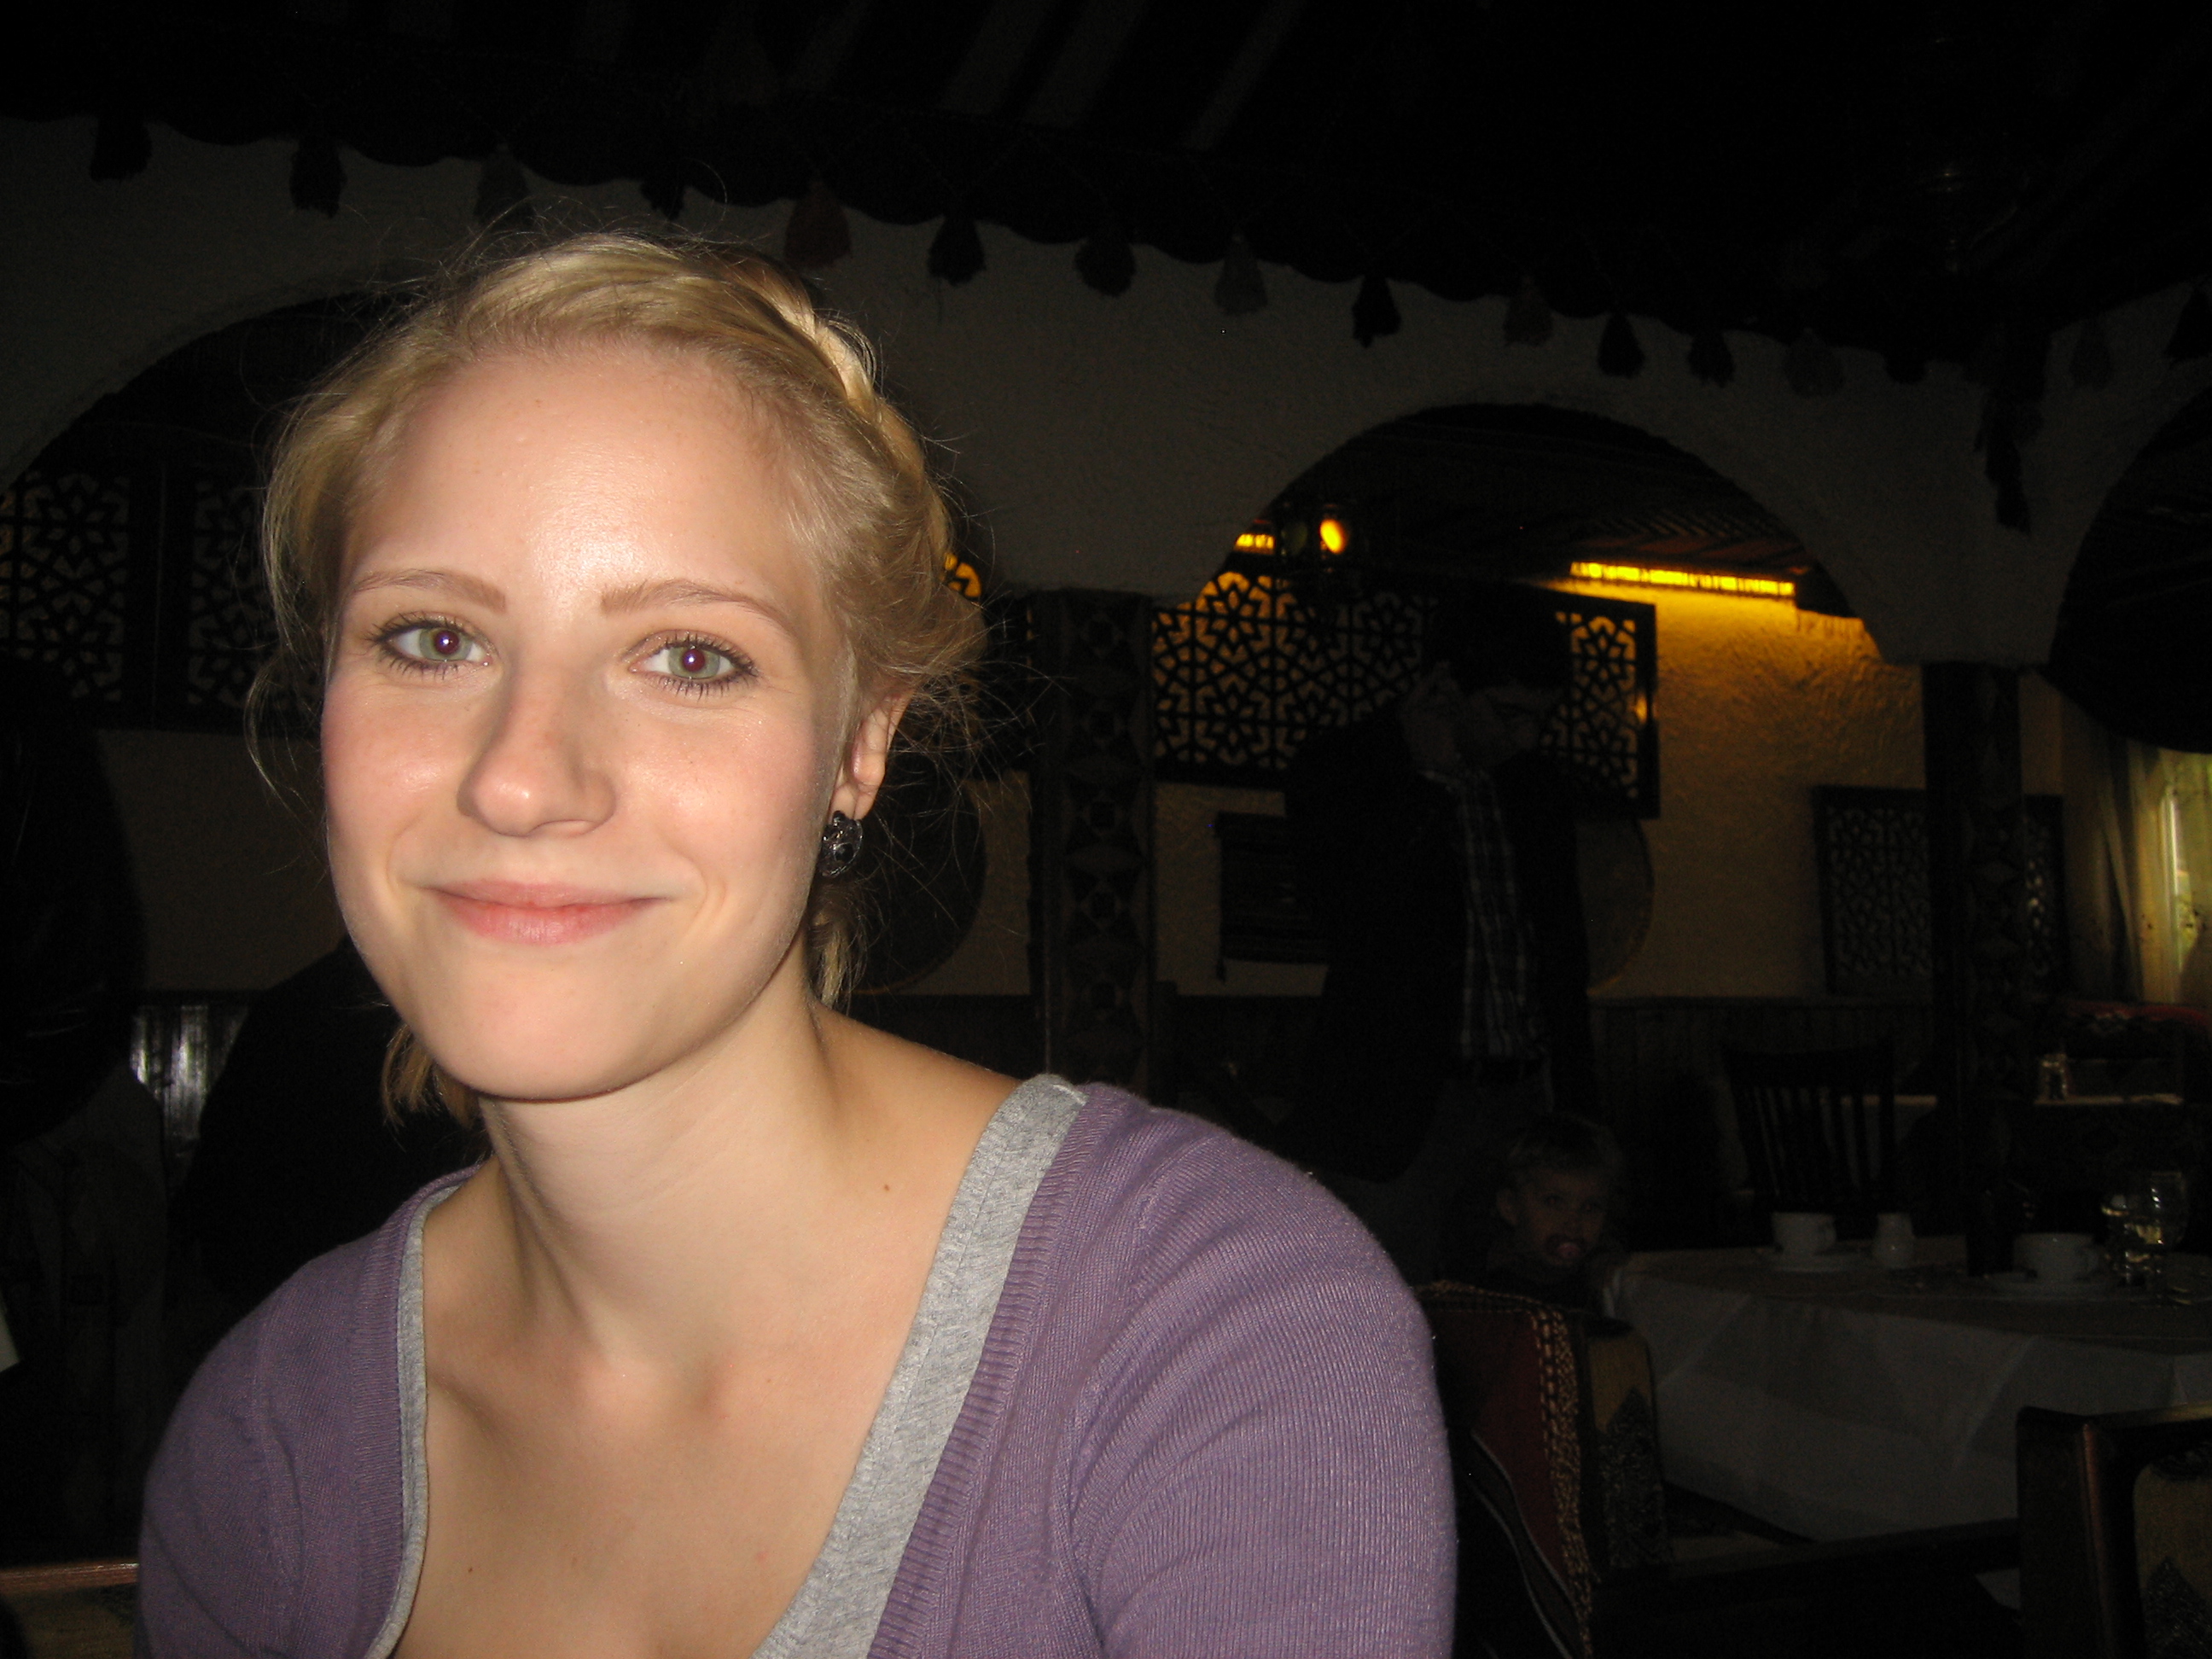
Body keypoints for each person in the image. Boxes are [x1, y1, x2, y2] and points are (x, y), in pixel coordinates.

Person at [137, 232, 1453, 1657]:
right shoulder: (268, 1437)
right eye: (433, 639)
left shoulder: (1208, 1330)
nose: (519, 779)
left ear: (860, 744)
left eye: (690, 656)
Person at [1283, 587, 1596, 1284]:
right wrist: (1425, 782)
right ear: (1445, 688)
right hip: (1399, 1110)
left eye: (1541, 718)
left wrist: (1576, 1116)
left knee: (1514, 1304)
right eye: (1509, 714)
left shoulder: (1534, 788)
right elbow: (1351, 922)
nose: (1527, 738)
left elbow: (1560, 956)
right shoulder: (1347, 767)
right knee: (1390, 1300)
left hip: (1522, 1100)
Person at [1469, 1113, 1626, 1313]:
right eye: (1554, 1202)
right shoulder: (1487, 1296)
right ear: (1511, 1206)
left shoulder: (1603, 1278)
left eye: (1590, 1208)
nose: (1573, 1223)